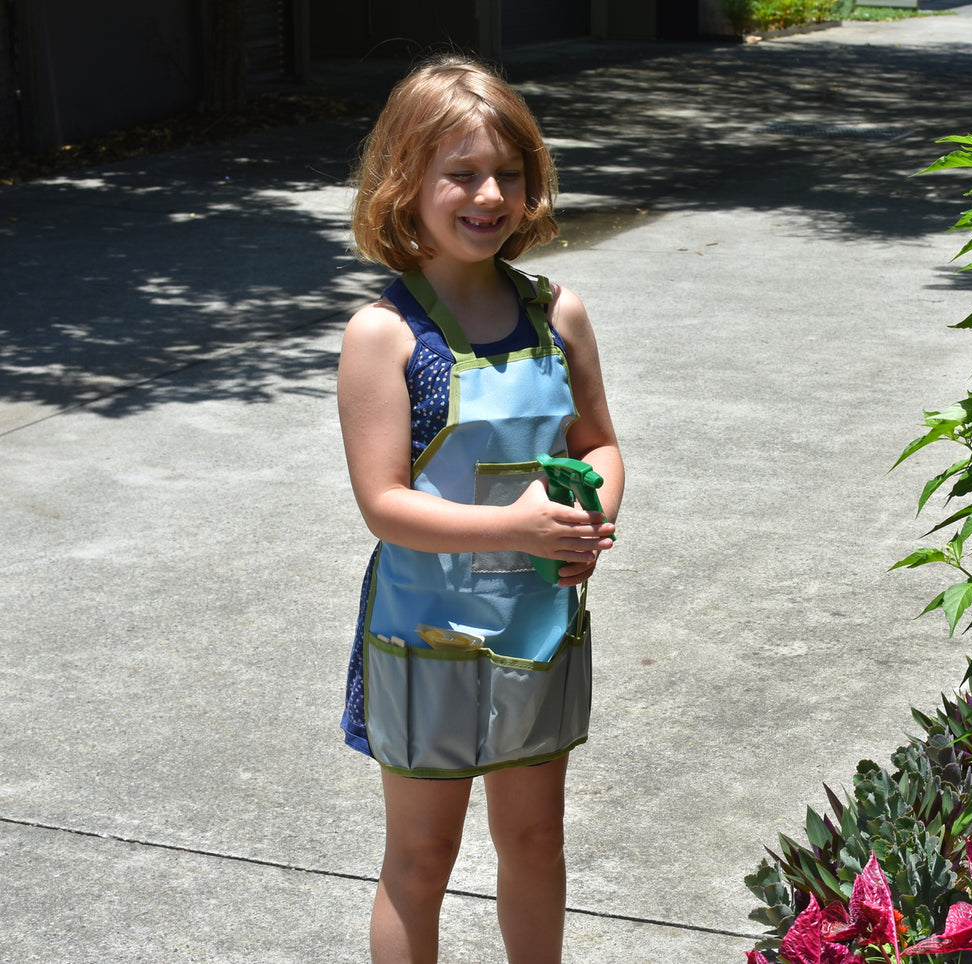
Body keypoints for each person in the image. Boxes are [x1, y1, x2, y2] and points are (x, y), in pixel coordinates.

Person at [335, 54, 623, 964]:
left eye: (508, 173)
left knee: (536, 843)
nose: (488, 194)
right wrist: (517, 527)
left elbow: (599, 445)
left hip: (535, 620)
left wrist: (591, 520)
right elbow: (384, 505)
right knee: (422, 858)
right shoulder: (383, 334)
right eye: (460, 173)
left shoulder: (557, 313)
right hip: (422, 632)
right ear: (404, 182)